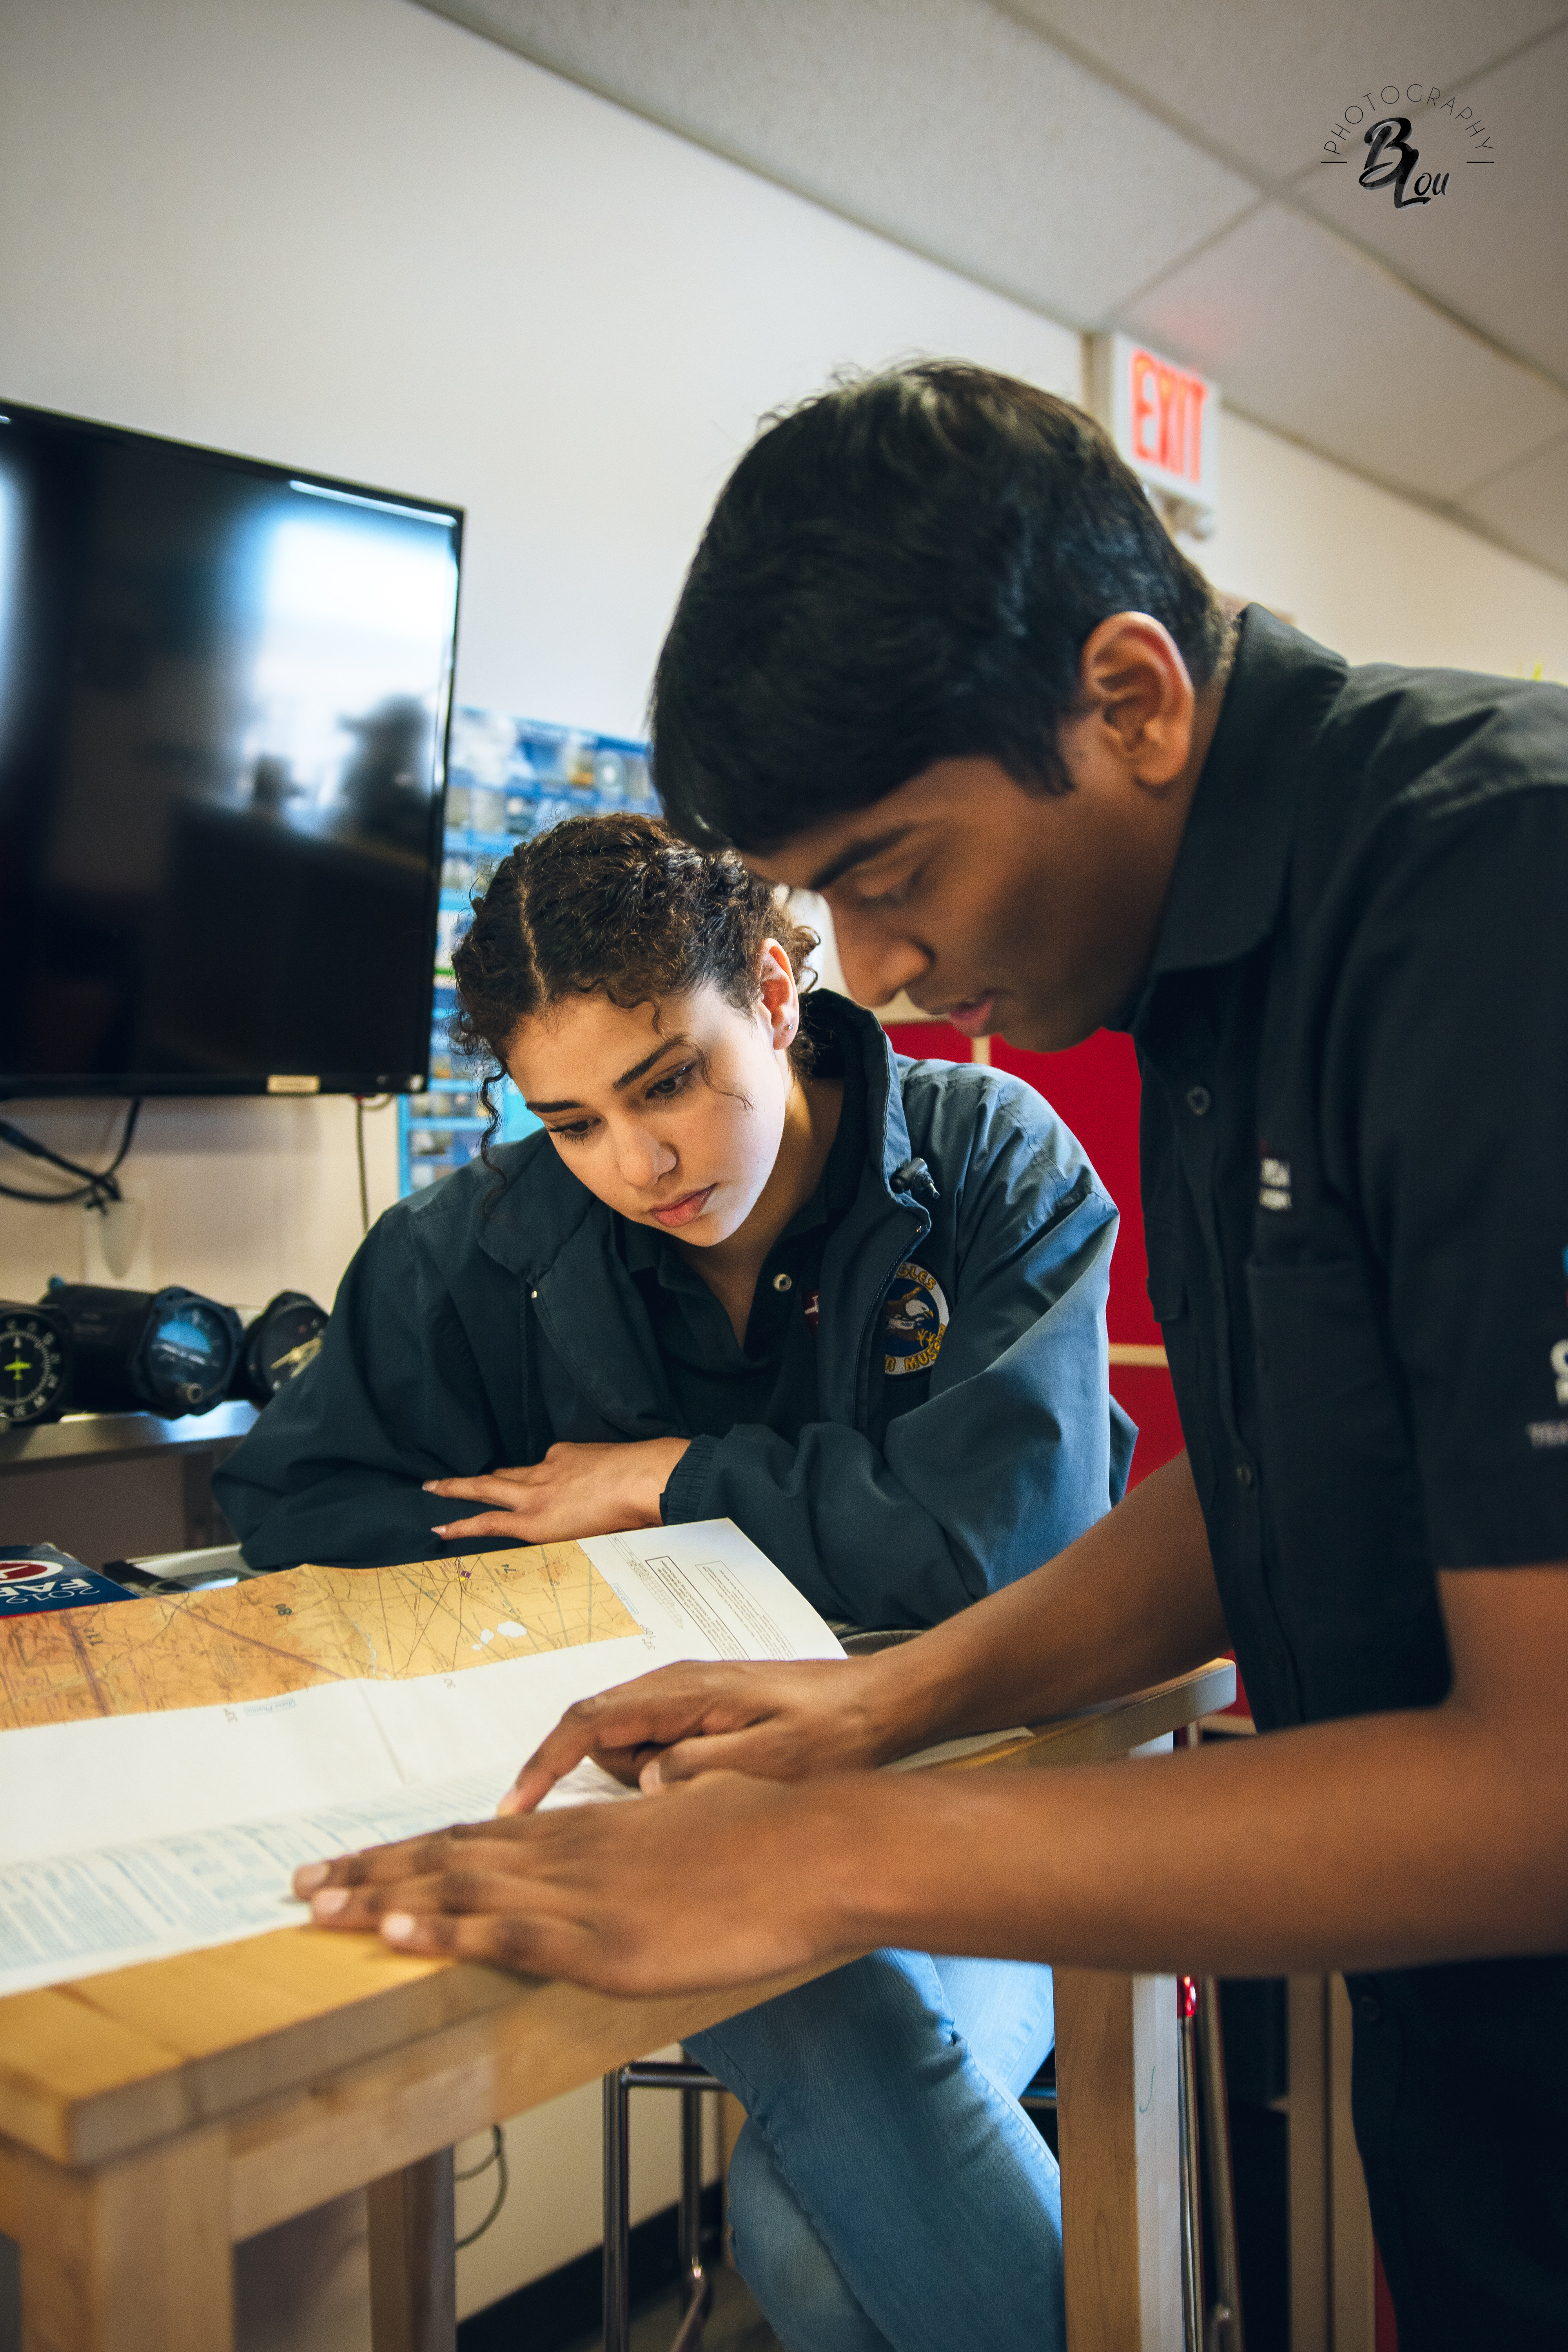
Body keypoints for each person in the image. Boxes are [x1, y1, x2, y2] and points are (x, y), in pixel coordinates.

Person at [293, 367, 1568, 2351]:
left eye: (889, 876)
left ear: (1130, 700)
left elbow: (1549, 1779)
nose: (873, 970)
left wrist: (829, 1850)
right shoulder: (1227, 957)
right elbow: (1278, 1485)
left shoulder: (1497, 893)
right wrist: (861, 1718)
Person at [221, 809, 1134, 2352]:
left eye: (667, 1086)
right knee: (795, 2102)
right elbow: (304, 1515)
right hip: (690, 1818)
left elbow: (998, 1542)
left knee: (800, 2225)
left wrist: (659, 1482)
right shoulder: (472, 1247)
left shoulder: (993, 1164)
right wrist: (582, 1598)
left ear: (776, 996)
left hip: (1000, 1794)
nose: (635, 1165)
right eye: (569, 1121)